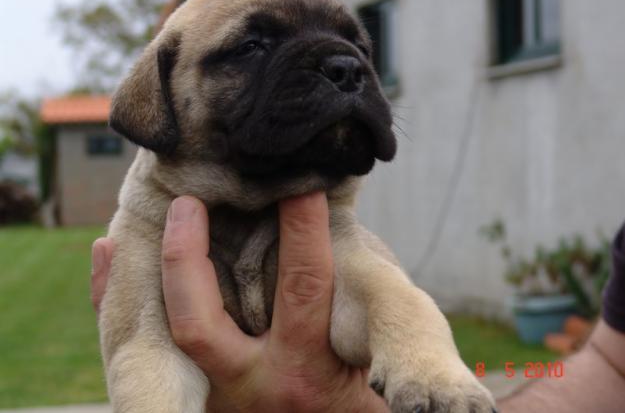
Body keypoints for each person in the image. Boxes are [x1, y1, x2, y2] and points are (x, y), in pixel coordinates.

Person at [91, 194, 625, 412]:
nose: (342, 72)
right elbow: (612, 367)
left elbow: (375, 300)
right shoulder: (147, 220)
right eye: (251, 47)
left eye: (357, 55)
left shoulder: (329, 211)